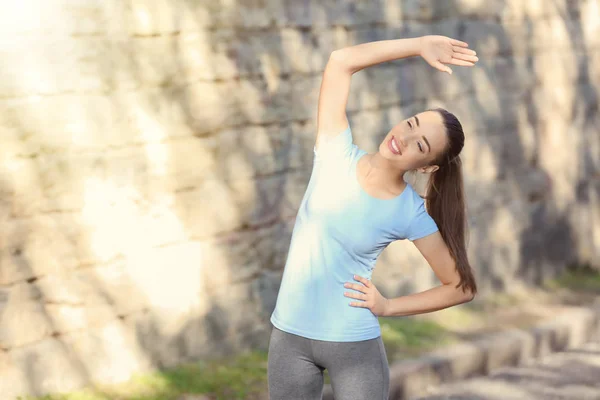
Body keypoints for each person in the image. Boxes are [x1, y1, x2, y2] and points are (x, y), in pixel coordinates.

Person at [267, 35, 479, 400]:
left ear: (427, 166)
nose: (404, 137)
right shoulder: (335, 151)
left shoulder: (409, 211)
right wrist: (418, 45)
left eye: (420, 145)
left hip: (354, 346)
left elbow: (461, 287)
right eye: (411, 124)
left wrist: (389, 306)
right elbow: (339, 61)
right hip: (289, 337)